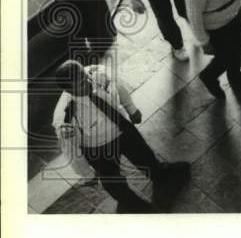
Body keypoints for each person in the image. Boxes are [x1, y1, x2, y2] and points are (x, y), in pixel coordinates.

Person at [52, 59, 189, 212]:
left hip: (121, 126)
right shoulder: (64, 116)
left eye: (85, 76)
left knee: (144, 155)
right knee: (112, 180)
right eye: (81, 84)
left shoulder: (99, 73)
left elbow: (118, 86)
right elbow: (70, 149)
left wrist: (131, 108)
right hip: (97, 148)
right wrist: (86, 173)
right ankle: (129, 203)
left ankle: (160, 176)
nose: (88, 82)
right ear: (69, 91)